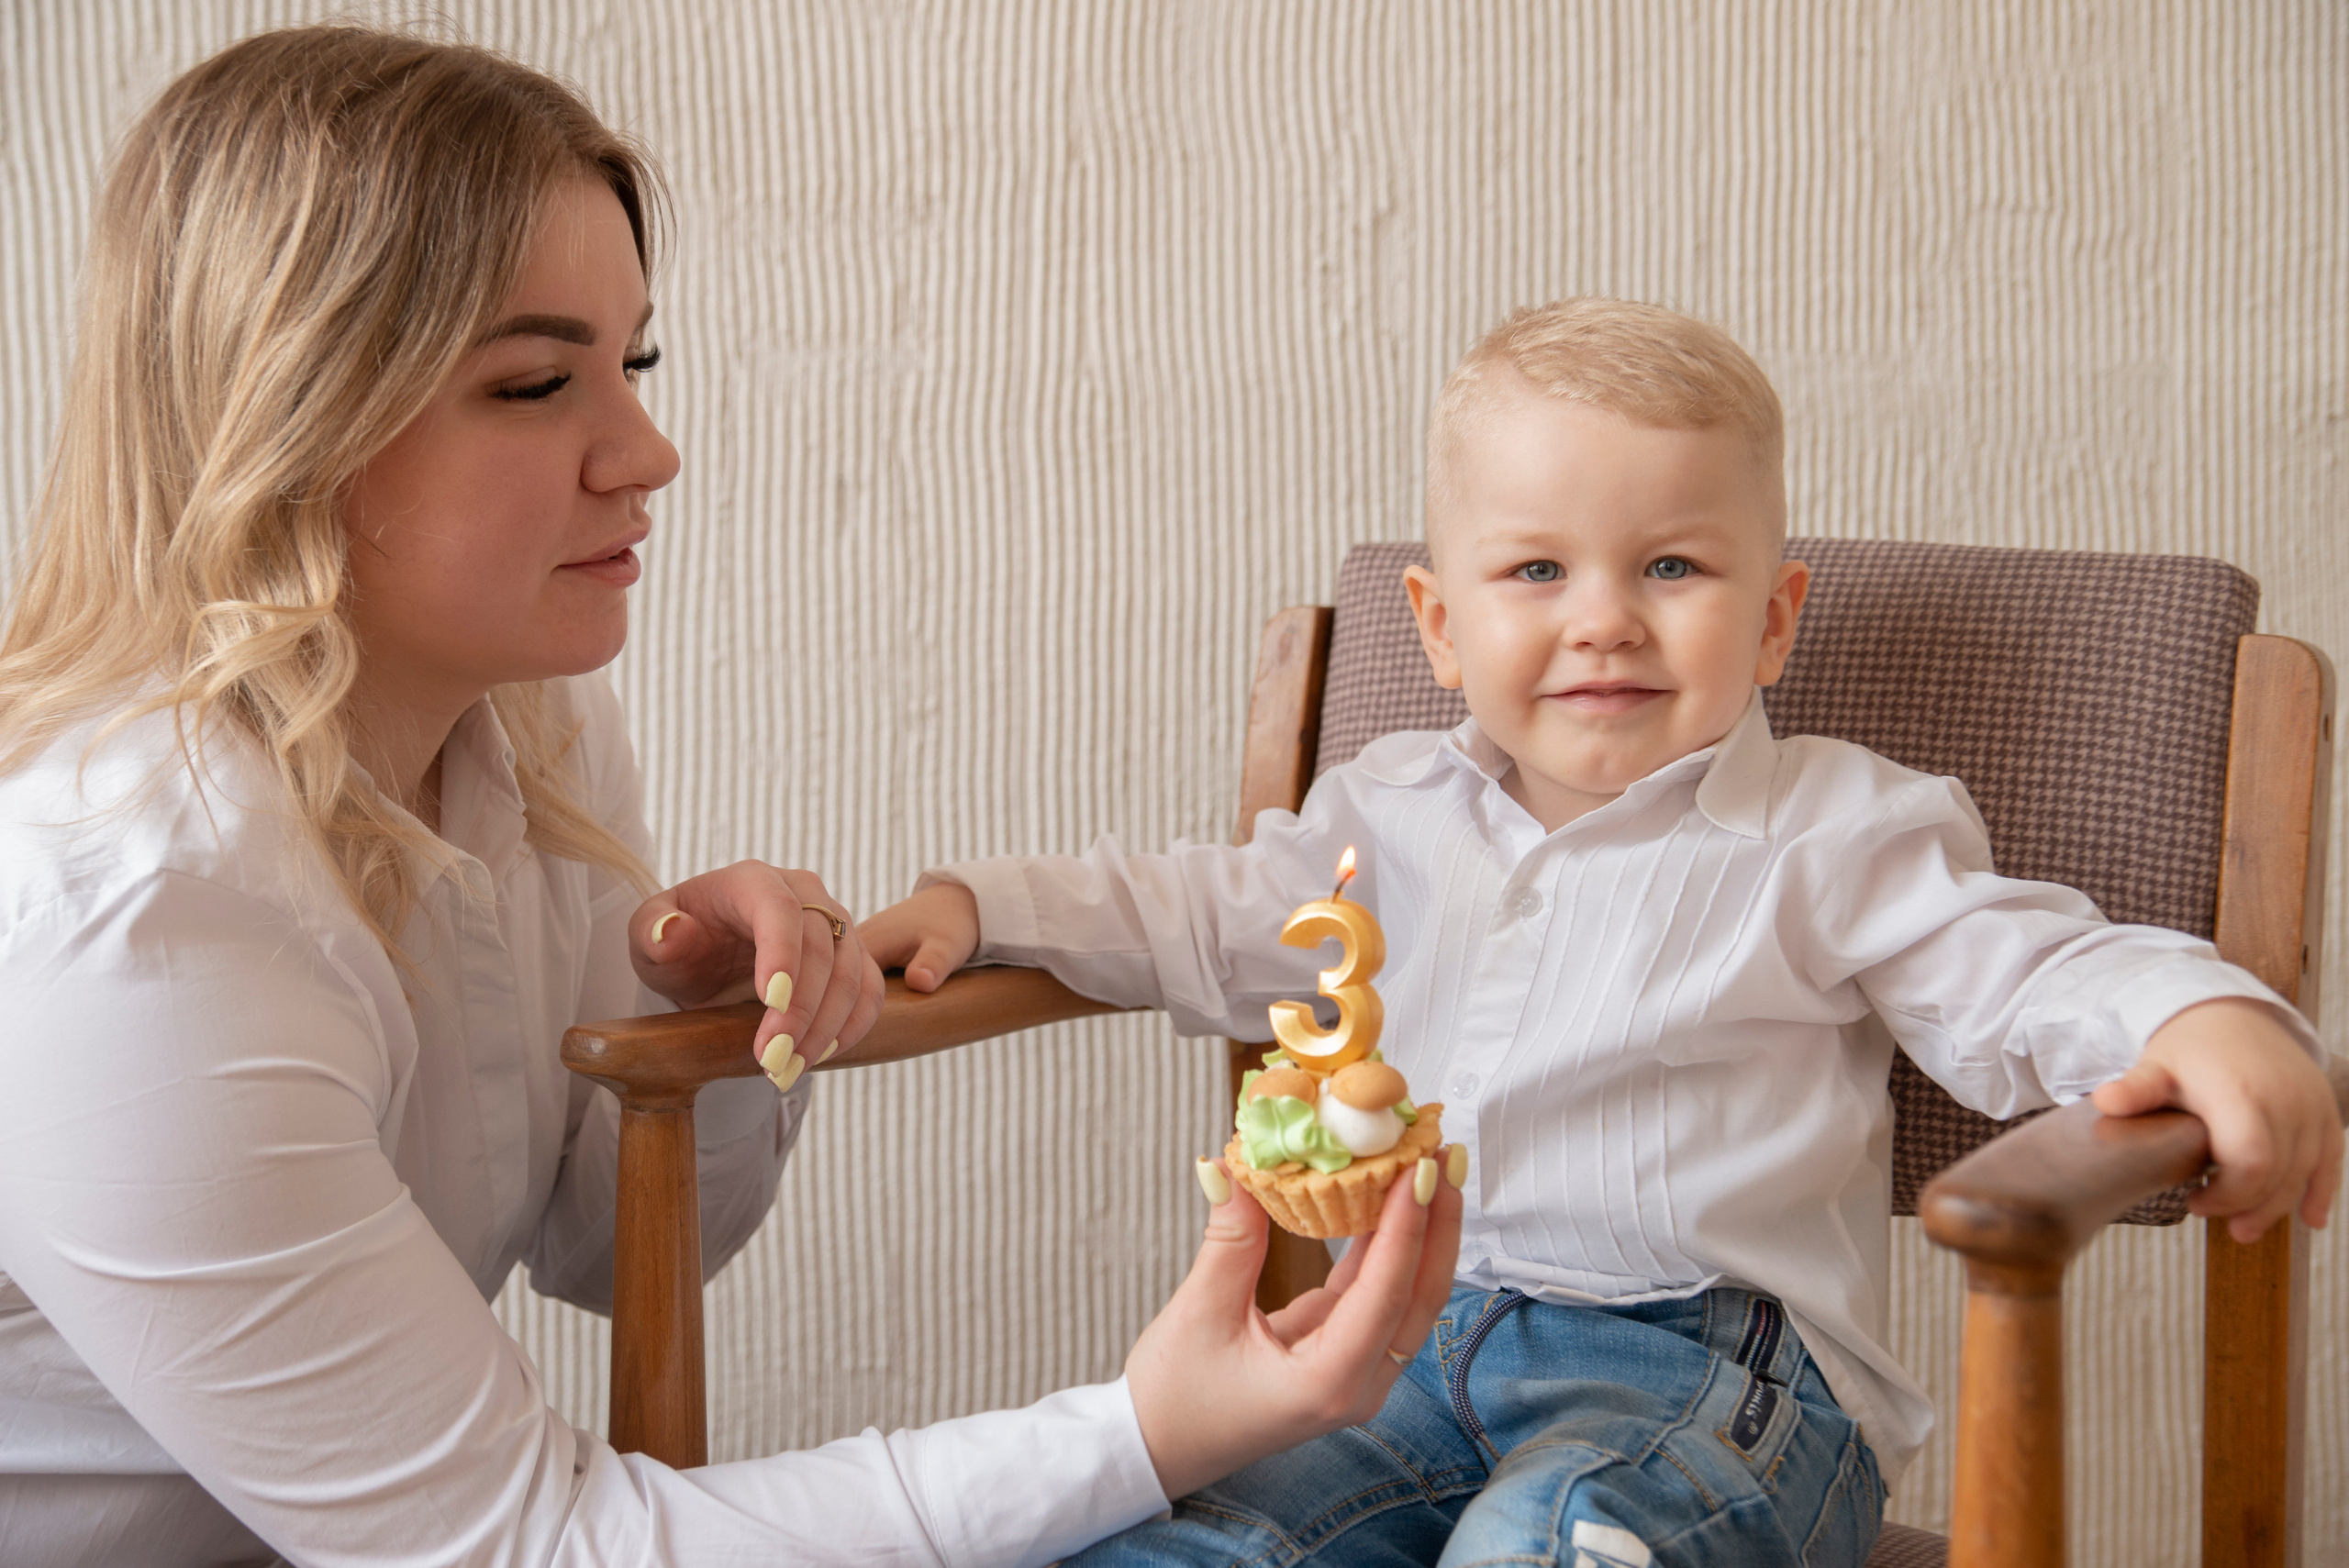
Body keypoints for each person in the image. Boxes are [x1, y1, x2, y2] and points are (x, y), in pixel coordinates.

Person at [0, 26, 1463, 1568]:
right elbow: (529, 1546)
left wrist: (712, 1010)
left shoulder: (529, 724)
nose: (648, 448)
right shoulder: (134, 925)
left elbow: (598, 1245)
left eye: (631, 364)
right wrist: (1148, 1429)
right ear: (290, 414)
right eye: (536, 380)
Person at [862, 297, 2343, 1566]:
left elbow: (2024, 967)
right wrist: (983, 905)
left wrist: (2200, 1016)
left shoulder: (1833, 829)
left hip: (1715, 1381)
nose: (1605, 621)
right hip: (1394, 1353)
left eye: (1674, 568)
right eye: (1536, 571)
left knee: (1559, 1539)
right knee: (1181, 1537)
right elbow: (1188, 909)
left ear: (1774, 619)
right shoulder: (1386, 814)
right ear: (1440, 626)